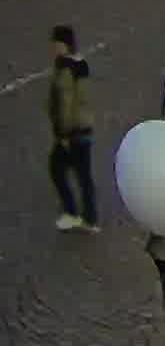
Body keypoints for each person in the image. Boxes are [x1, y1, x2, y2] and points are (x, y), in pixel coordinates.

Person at [45, 26, 100, 232]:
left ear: (64, 44)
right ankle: (90, 218)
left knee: (57, 169)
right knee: (83, 175)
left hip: (73, 132)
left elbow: (67, 103)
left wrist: (63, 135)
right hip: (83, 129)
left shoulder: (67, 68)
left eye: (56, 43)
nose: (52, 47)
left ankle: (73, 213)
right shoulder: (78, 64)